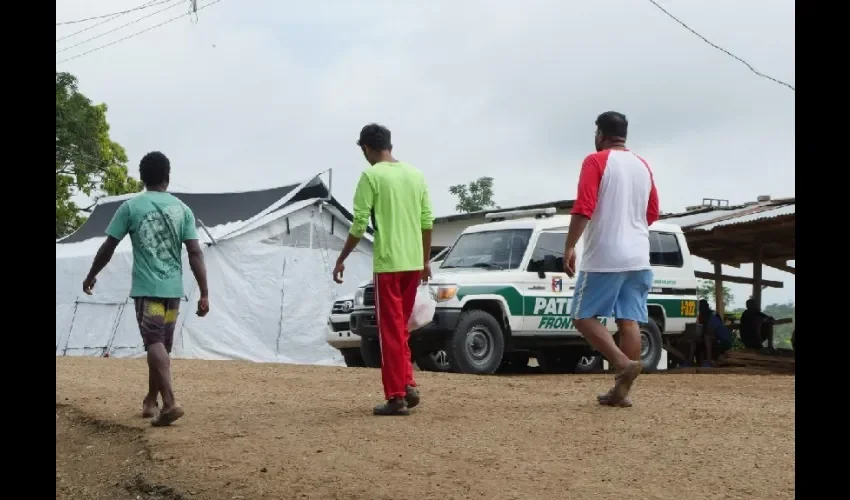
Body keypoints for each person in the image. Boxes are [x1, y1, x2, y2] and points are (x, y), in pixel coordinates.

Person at [82, 151, 209, 427]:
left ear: (142, 178)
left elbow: (108, 246)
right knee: (161, 346)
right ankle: (151, 401)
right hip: (173, 293)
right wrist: (205, 292)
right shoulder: (183, 209)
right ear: (167, 176)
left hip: (147, 290)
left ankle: (170, 402)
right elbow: (195, 253)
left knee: (153, 344)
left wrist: (92, 274)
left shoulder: (131, 207)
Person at [332, 124, 434, 416]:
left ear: (367, 148)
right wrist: (425, 260)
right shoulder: (416, 174)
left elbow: (359, 224)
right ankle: (408, 383)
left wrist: (342, 258)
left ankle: (396, 397)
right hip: (414, 263)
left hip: (389, 264)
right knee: (400, 328)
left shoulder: (370, 175)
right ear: (389, 144)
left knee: (389, 331)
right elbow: (427, 221)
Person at [563, 111, 659, 408]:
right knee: (628, 320)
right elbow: (652, 212)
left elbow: (583, 207)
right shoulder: (642, 165)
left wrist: (569, 247)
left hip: (605, 256)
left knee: (581, 316)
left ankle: (622, 362)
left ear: (600, 133)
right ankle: (622, 393)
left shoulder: (596, 161)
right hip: (639, 256)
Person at [685, 300, 733, 367]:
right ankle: (690, 361)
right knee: (694, 339)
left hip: (723, 341)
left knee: (706, 338)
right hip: (715, 339)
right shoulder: (703, 317)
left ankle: (709, 360)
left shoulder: (713, 317)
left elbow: (709, 333)